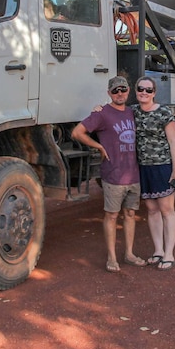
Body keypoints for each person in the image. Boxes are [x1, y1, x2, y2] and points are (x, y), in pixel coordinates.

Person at [71, 76, 146, 272]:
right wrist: (99, 146)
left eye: (123, 89)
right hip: (114, 175)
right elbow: (77, 132)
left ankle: (129, 254)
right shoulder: (102, 113)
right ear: (109, 93)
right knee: (112, 215)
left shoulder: (133, 112)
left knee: (130, 214)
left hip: (133, 174)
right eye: (115, 90)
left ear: (128, 90)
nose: (119, 93)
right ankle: (112, 258)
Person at [132, 75, 175, 271]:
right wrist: (98, 108)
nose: (143, 93)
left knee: (166, 210)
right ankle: (158, 251)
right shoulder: (134, 111)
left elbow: (173, 142)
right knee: (152, 210)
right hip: (144, 167)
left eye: (148, 90)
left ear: (154, 93)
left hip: (162, 166)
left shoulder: (164, 112)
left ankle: (169, 253)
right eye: (140, 89)